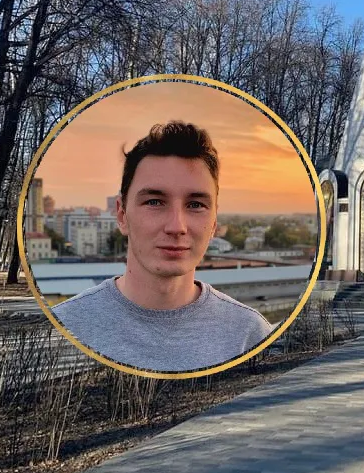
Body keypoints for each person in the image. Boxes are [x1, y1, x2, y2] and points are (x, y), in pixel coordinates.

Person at [51, 121, 273, 372]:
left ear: (213, 222)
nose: (176, 226)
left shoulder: (249, 335)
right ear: (122, 215)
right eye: (155, 202)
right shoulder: (63, 328)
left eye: (196, 205)